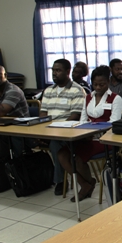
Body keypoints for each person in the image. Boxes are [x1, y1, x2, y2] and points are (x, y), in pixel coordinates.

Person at [58, 65, 122, 202]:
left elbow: (113, 123)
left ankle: (87, 186)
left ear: (109, 82)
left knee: (77, 157)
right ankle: (86, 184)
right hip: (86, 137)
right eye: (95, 84)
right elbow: (82, 120)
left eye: (102, 84)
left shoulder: (115, 99)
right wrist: (84, 132)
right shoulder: (88, 97)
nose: (98, 87)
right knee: (62, 154)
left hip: (104, 139)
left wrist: (93, 132)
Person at [39, 59, 85, 195]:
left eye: (58, 70)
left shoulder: (77, 90)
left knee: (55, 144)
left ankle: (60, 181)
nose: (54, 73)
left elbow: (75, 115)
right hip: (48, 130)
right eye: (53, 70)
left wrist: (57, 128)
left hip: (68, 131)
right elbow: (43, 113)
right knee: (26, 140)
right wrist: (42, 129)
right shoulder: (48, 90)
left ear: (67, 72)